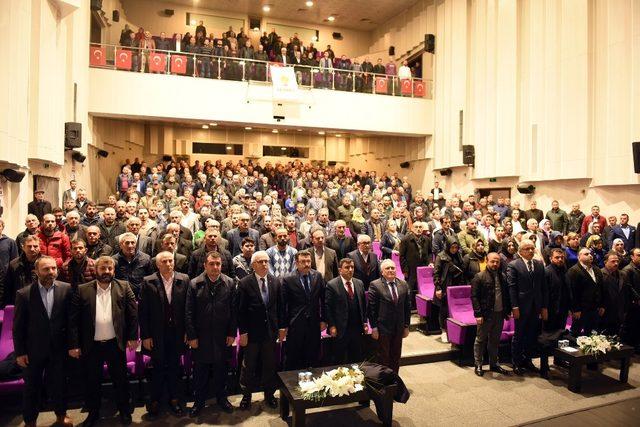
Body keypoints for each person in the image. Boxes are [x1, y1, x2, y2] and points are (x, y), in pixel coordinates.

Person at [68, 256, 138, 427]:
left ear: (114, 270)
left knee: (120, 380)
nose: (106, 272)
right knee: (92, 382)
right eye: (103, 268)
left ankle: (124, 412)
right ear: (96, 270)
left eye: (110, 269)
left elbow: (132, 314)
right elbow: (73, 320)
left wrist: (131, 337)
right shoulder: (82, 289)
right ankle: (93, 414)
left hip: (115, 344)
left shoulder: (124, 286)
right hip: (91, 345)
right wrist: (74, 344)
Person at [13, 256, 74, 427]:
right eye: (46, 269)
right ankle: (30, 420)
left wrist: (73, 345)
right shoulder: (23, 294)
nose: (51, 272)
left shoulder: (66, 289)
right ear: (36, 271)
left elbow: (71, 322)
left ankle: (61, 415)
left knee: (59, 384)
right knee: (31, 387)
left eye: (53, 268)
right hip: (33, 350)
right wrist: (20, 352)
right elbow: (18, 328)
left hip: (59, 348)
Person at [185, 251, 237, 417]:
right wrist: (192, 336)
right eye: (212, 264)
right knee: (201, 371)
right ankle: (199, 402)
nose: (215, 267)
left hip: (222, 336)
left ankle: (222, 399)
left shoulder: (229, 283)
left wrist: (231, 333)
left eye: (218, 264)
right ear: (205, 265)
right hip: (201, 336)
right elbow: (188, 312)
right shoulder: (194, 284)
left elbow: (234, 311)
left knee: (222, 370)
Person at [139, 252, 190, 417]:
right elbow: (143, 312)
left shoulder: (184, 279)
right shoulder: (148, 282)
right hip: (157, 334)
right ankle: (155, 400)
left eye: (171, 261)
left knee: (175, 367)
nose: (168, 264)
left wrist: (188, 332)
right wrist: (145, 336)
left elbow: (189, 310)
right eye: (164, 261)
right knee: (157, 368)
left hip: (177, 333)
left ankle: (174, 399)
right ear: (157, 264)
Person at [236, 251, 281, 410]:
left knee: (269, 364)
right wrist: (243, 332)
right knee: (249, 365)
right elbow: (240, 310)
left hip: (270, 331)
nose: (264, 264)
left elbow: (279, 308)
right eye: (260, 262)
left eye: (266, 261)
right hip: (252, 333)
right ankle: (246, 395)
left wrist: (281, 328)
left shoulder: (275, 282)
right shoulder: (245, 283)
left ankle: (269, 394)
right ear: (253, 265)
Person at [279, 251, 326, 370]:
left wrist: (324, 319)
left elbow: (324, 300)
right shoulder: (287, 279)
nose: (307, 264)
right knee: (294, 356)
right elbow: (283, 305)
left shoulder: (318, 276)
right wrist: (283, 325)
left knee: (313, 355)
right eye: (303, 262)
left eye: (308, 261)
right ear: (296, 263)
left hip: (314, 323)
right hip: (295, 324)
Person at [507, 240, 548, 375]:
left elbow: (543, 287)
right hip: (521, 306)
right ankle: (516, 362)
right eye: (527, 248)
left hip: (536, 306)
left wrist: (543, 306)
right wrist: (514, 307)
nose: (530, 251)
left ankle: (528, 360)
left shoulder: (538, 264)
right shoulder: (513, 265)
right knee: (519, 335)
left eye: (532, 248)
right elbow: (512, 288)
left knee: (532, 334)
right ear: (520, 251)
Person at [470, 253, 511, 376]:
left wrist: (507, 311)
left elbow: (506, 296)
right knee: (480, 340)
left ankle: (494, 364)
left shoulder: (503, 276)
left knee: (494, 341)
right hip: (485, 314)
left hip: (499, 314)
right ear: (487, 261)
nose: (495, 264)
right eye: (492, 261)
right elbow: (474, 297)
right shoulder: (479, 277)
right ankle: (478, 364)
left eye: (497, 262)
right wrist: (478, 314)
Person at [368, 259, 411, 373]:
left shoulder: (403, 284)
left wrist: (406, 326)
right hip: (383, 328)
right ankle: (384, 383)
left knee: (396, 356)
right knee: (383, 357)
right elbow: (372, 309)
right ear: (382, 272)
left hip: (398, 327)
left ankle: (395, 381)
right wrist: (374, 328)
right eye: (387, 268)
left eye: (393, 268)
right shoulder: (375, 285)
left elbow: (407, 307)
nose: (391, 270)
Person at [325, 258, 368, 364]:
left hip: (357, 328)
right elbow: (328, 307)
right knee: (340, 358)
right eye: (347, 267)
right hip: (341, 329)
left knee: (356, 358)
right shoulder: (332, 285)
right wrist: (332, 325)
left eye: (352, 267)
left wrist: (365, 322)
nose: (350, 270)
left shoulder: (359, 283)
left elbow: (363, 305)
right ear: (340, 270)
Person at [567, 248, 605, 337]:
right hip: (581, 310)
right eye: (586, 254)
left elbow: (601, 289)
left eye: (591, 254)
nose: (590, 255)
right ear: (579, 257)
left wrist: (602, 305)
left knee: (592, 334)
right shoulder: (573, 271)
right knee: (576, 333)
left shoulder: (596, 269)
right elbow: (572, 292)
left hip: (594, 308)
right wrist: (575, 309)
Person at [433, 237, 465, 343]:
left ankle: (454, 332)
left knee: (455, 310)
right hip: (444, 286)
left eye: (456, 247)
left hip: (456, 286)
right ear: (448, 246)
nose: (454, 249)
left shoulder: (458, 255)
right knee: (444, 310)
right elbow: (436, 273)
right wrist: (438, 288)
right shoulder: (440, 256)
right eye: (452, 247)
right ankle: (443, 331)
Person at [399, 221, 432, 304]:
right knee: (410, 288)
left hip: (423, 267)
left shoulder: (427, 239)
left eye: (420, 227)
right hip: (410, 268)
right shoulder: (405, 239)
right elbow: (402, 256)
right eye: (416, 227)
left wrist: (430, 262)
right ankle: (409, 306)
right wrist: (405, 270)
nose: (418, 229)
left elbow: (430, 253)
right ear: (412, 229)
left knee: (422, 288)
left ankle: (422, 307)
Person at [112, 232, 153, 298]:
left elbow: (150, 279)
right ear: (120, 245)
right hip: (121, 296)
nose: (130, 245)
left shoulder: (146, 258)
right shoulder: (113, 260)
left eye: (132, 243)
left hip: (141, 296)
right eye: (127, 243)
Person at [601, 251, 626, 337]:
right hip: (605, 312)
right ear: (605, 262)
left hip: (619, 312)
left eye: (617, 261)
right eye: (613, 261)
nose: (616, 263)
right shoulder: (600, 274)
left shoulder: (622, 274)